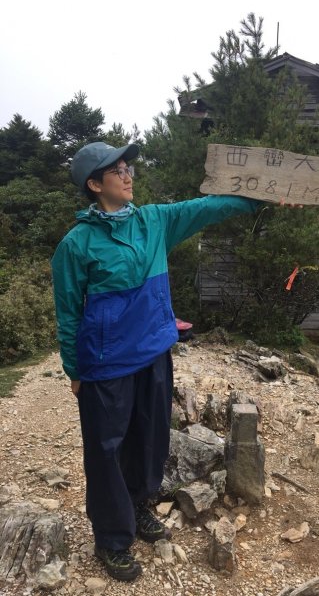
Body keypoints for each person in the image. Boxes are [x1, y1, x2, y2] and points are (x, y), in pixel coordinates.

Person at [50, 141, 264, 582]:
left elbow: (209, 207)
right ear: (95, 185)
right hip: (106, 366)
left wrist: (256, 196)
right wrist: (75, 370)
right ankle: (112, 538)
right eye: (117, 171)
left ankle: (139, 504)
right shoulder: (77, 245)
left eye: (128, 167)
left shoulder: (154, 222)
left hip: (153, 354)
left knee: (148, 439)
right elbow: (68, 312)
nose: (128, 176)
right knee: (106, 452)